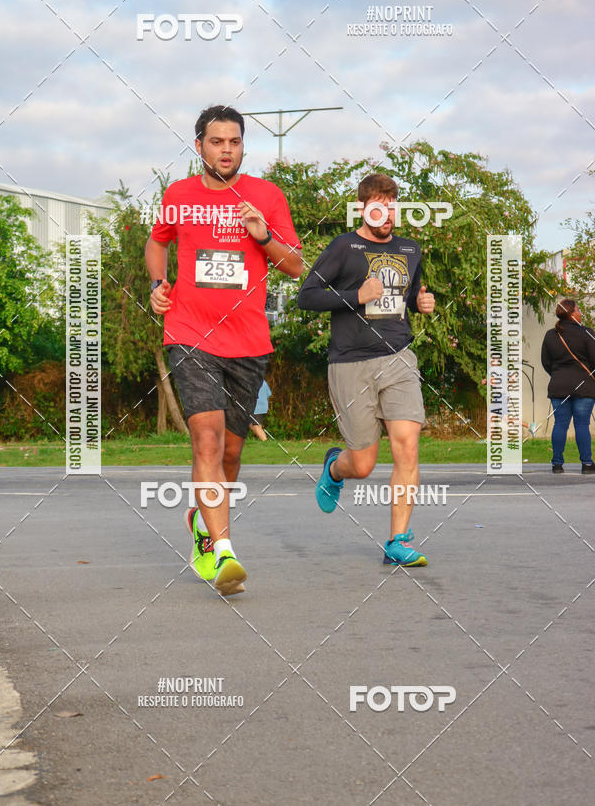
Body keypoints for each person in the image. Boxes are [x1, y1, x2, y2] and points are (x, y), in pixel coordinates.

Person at [146, 105, 303, 594]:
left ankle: (201, 518)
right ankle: (222, 552)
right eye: (217, 142)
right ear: (200, 146)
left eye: (234, 142)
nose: (226, 150)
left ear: (242, 146)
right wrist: (157, 282)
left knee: (231, 453)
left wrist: (263, 236)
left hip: (248, 340)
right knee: (207, 440)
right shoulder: (180, 195)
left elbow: (296, 266)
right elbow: (158, 242)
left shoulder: (266, 196)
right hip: (190, 332)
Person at [297, 173, 435, 566]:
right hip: (350, 362)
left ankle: (398, 540)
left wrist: (420, 304)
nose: (386, 213)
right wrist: (355, 295)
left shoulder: (410, 249)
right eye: (378, 205)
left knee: (407, 444)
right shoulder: (345, 246)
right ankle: (335, 468)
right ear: (362, 208)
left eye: (392, 205)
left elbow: (408, 297)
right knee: (363, 464)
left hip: (397, 357)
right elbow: (306, 297)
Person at [541, 299, 595, 474]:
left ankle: (557, 464)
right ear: (572, 314)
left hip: (558, 386)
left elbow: (546, 362)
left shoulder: (550, 335)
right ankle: (587, 464)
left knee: (560, 424)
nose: (580, 313)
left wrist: (558, 375)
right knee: (582, 425)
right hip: (584, 387)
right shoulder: (587, 333)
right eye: (578, 310)